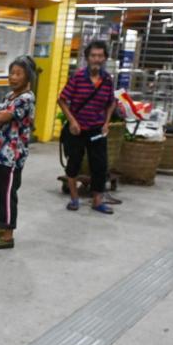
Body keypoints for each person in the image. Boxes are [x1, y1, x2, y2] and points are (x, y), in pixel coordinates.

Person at [0, 56, 37, 250]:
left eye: (18, 74)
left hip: (11, 155)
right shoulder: (9, 96)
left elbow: (0, 116)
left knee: (6, 193)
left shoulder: (26, 99)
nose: (13, 77)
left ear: (28, 76)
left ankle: (7, 234)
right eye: (12, 73)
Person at [58, 39, 116, 214]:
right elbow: (61, 99)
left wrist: (106, 122)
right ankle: (74, 198)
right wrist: (73, 121)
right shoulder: (78, 77)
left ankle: (97, 201)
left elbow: (111, 102)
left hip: (97, 130)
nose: (96, 59)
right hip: (77, 130)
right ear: (87, 58)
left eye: (100, 56)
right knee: (73, 163)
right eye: (93, 55)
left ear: (105, 58)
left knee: (100, 165)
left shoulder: (107, 80)